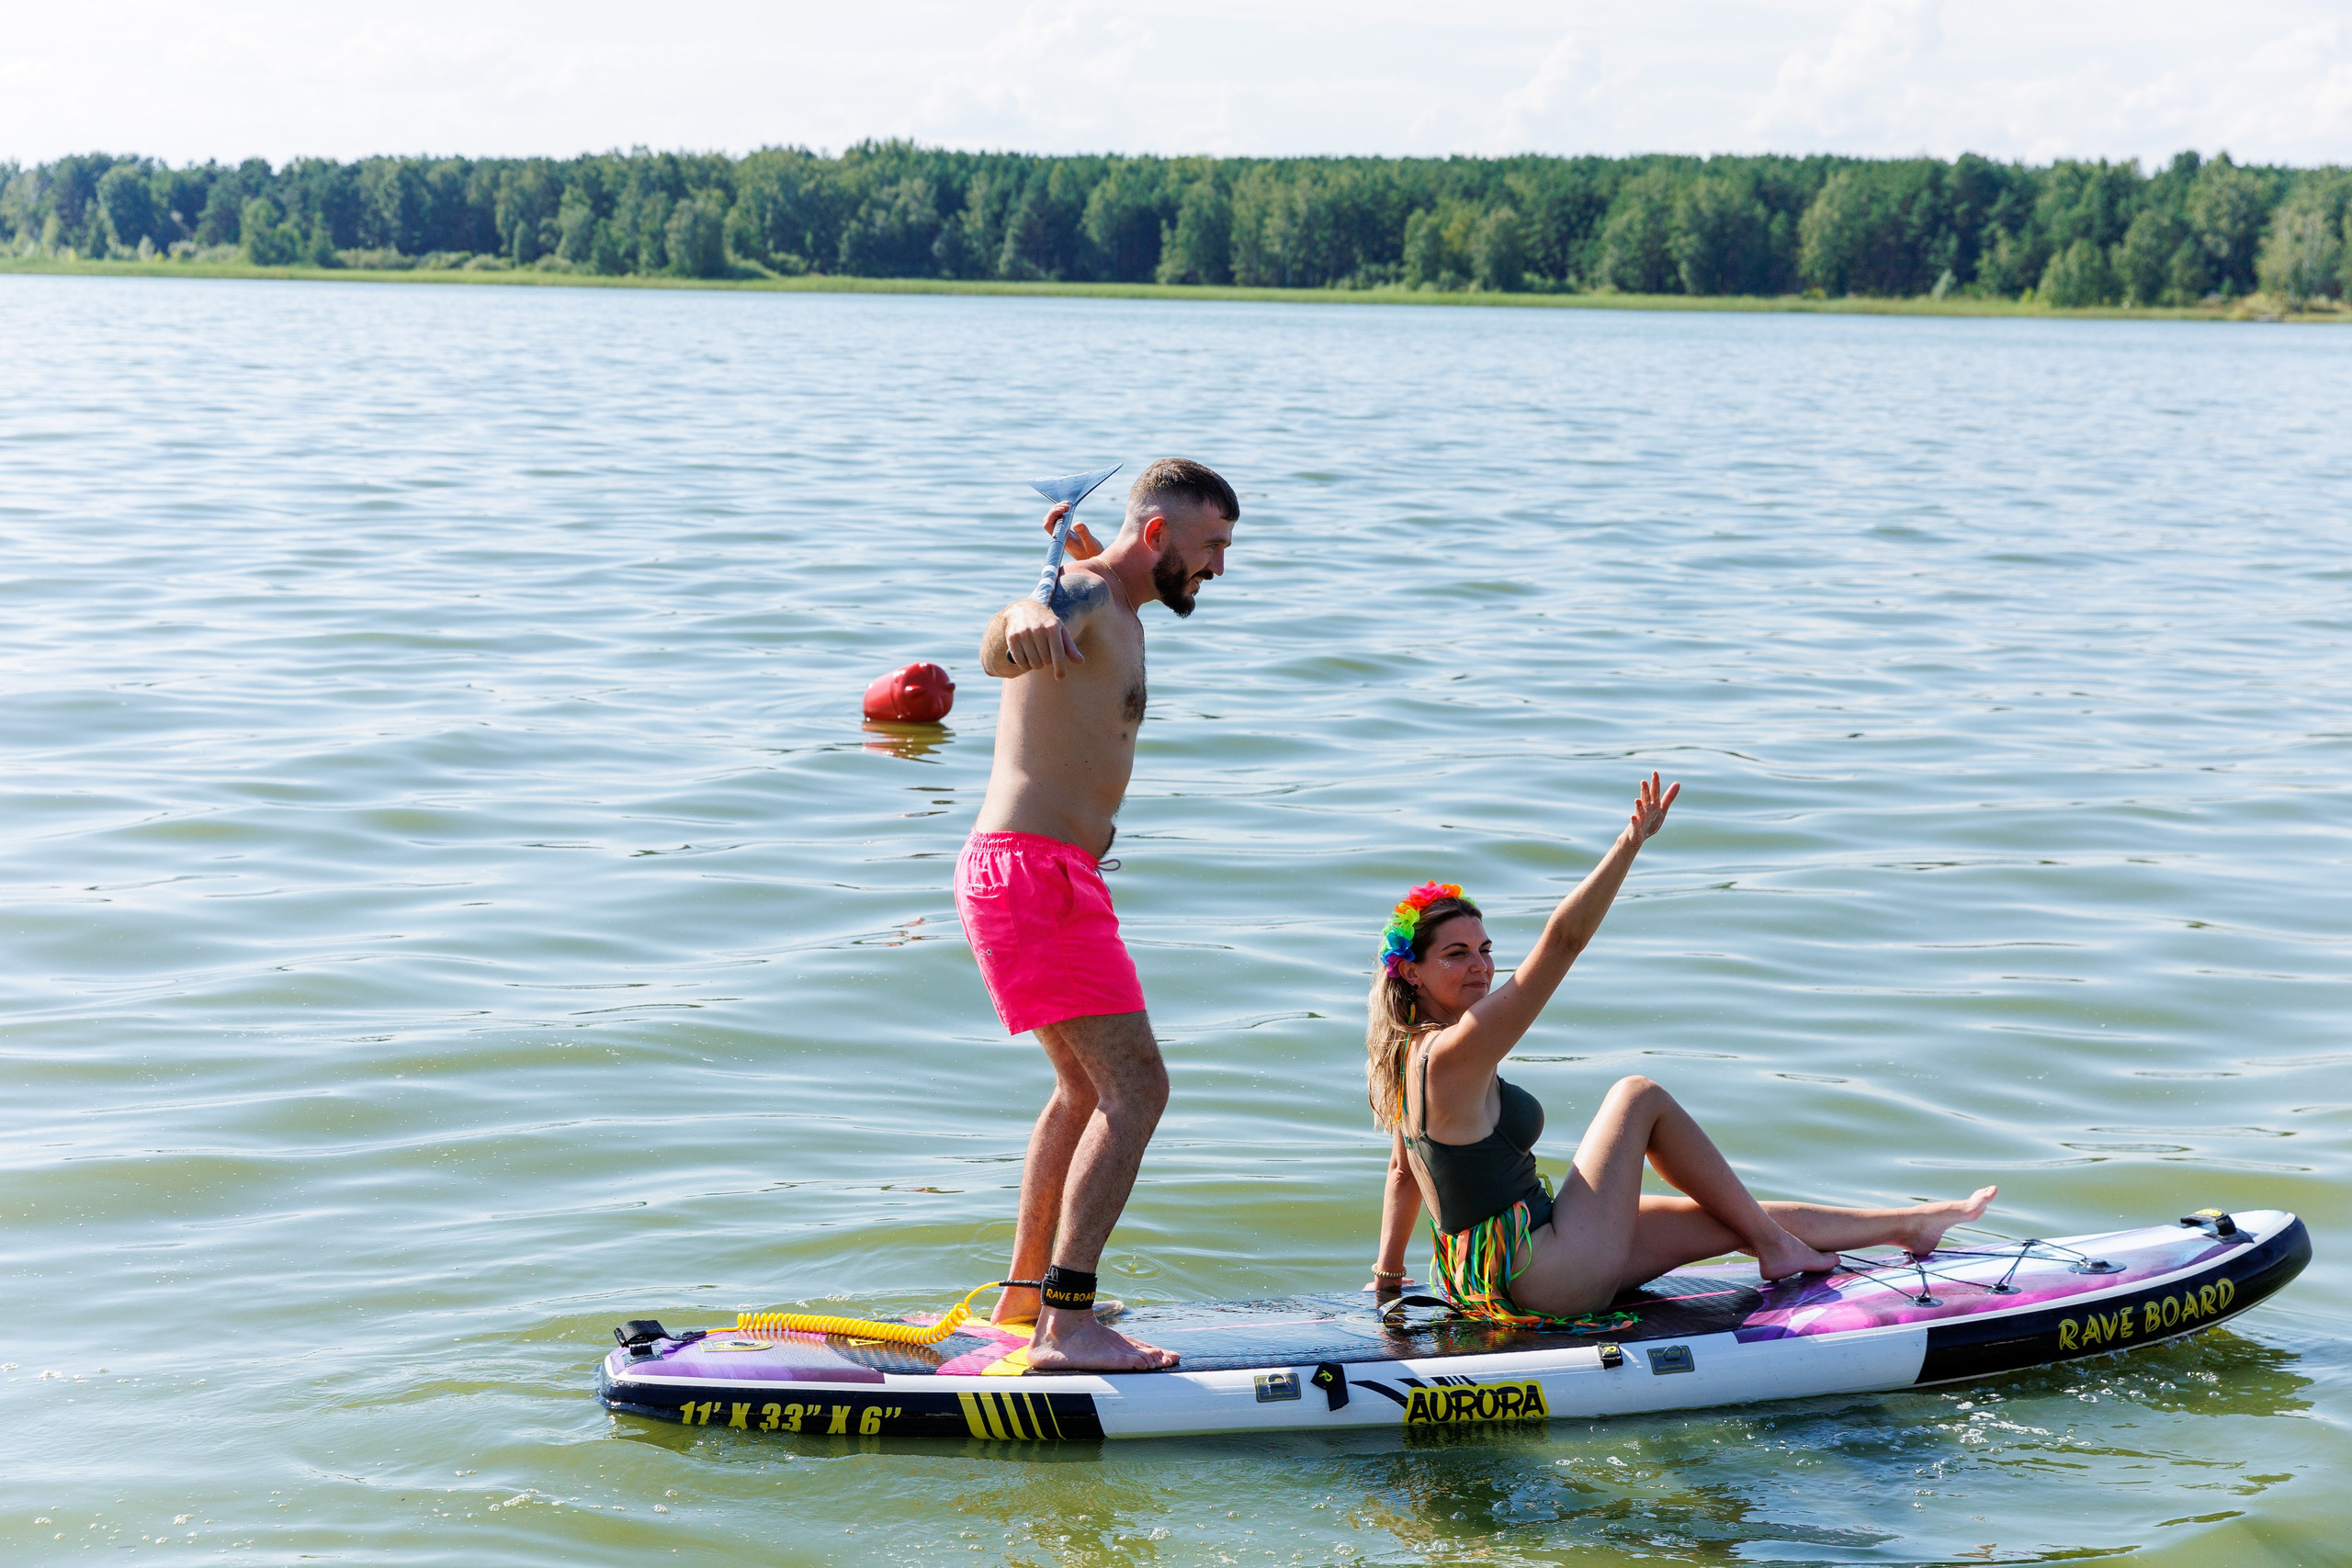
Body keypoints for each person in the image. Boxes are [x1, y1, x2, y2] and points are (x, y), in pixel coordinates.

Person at [1363, 773, 1996, 1321]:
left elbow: (1402, 1172)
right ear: (1412, 972)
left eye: (1485, 949)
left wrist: (1388, 1279)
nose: (1480, 965)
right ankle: (1783, 1248)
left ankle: (1909, 1225)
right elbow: (1560, 945)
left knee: (1729, 1214)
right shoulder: (1454, 1052)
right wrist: (1627, 845)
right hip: (1541, 1273)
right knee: (1637, 1095)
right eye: (1456, 954)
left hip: (1503, 1265)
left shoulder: (1412, 1054)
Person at [957, 457, 1239, 1371]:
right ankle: (1068, 1327)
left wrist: (1076, 568)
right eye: (1209, 548)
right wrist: (1020, 616)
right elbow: (1003, 642)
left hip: (1047, 876)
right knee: (1138, 1090)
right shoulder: (1076, 595)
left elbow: (1085, 588)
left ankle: (1024, 1297)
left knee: (1086, 1091)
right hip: (1032, 879)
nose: (1218, 570)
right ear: (1155, 536)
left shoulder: (1106, 597)